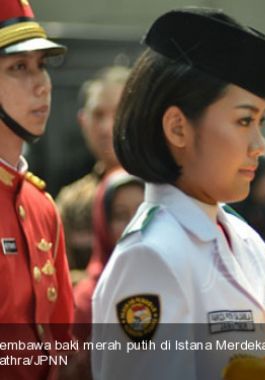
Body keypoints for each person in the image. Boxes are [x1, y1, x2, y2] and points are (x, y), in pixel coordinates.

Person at [91, 7, 265, 380]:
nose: (259, 145)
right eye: (244, 120)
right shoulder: (151, 257)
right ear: (178, 128)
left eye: (260, 122)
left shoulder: (247, 241)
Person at [0, 1, 73, 379]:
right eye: (18, 68)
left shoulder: (41, 206)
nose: (41, 84)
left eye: (41, 66)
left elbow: (60, 336)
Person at [56, 66, 129, 277]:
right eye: (98, 115)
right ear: (83, 122)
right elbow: (59, 281)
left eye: (119, 113)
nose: (107, 127)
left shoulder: (165, 190)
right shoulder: (71, 202)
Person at [73, 169, 144, 342]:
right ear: (103, 224)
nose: (133, 224)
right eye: (120, 215)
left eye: (141, 212)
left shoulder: (175, 279)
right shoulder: (86, 299)